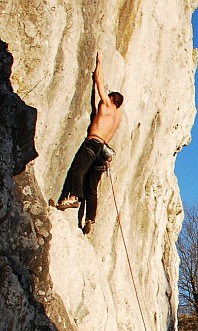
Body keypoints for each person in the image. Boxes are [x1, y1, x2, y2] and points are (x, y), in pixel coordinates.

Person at [55, 51, 124, 235]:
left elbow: (98, 82)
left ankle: (73, 197)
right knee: (92, 187)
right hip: (103, 152)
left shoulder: (107, 106)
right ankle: (90, 218)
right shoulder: (118, 118)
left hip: (93, 143)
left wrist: (99, 62)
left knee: (78, 170)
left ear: (111, 100)